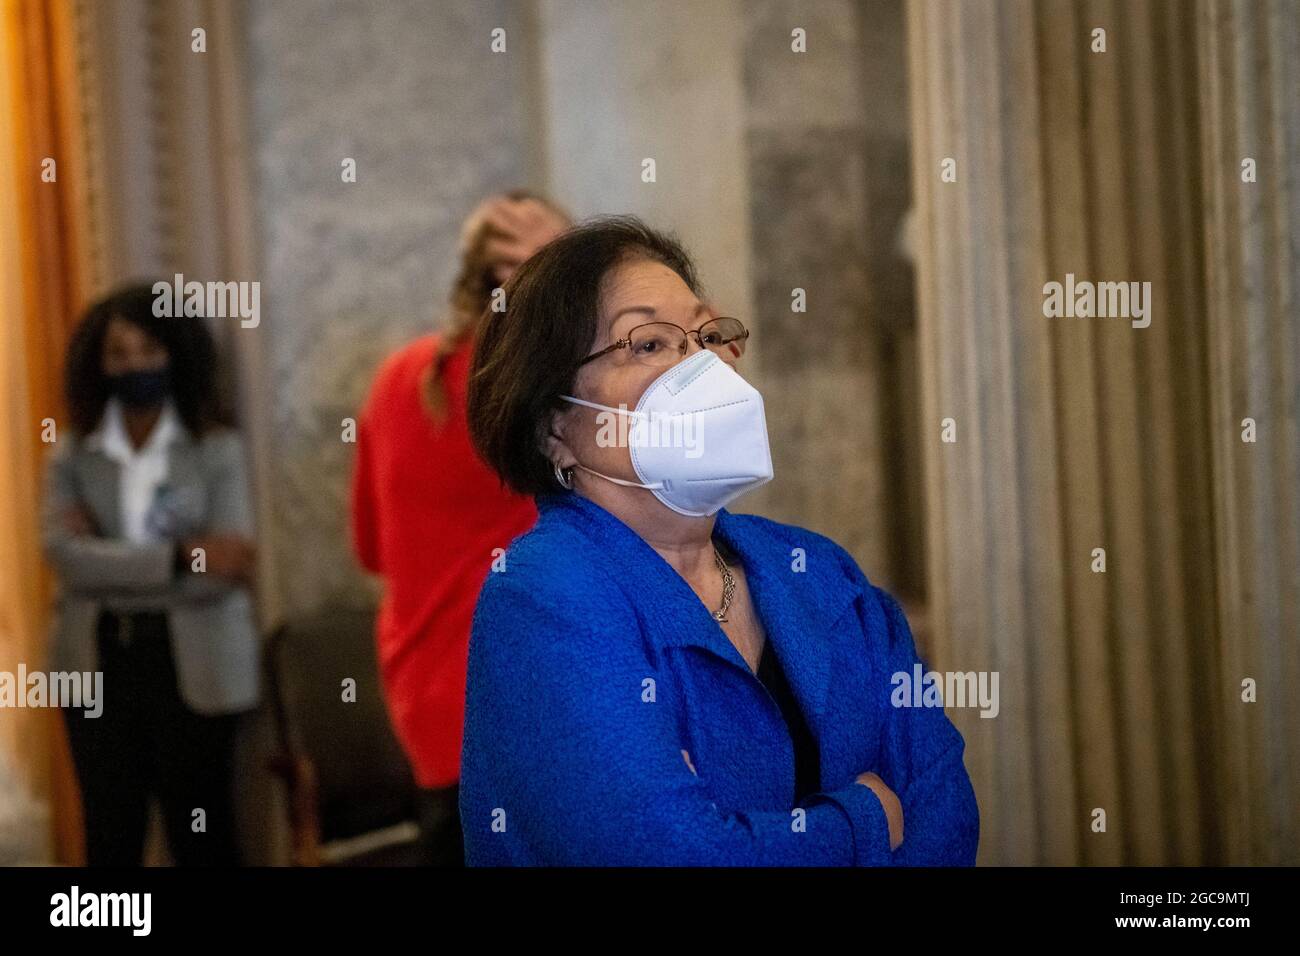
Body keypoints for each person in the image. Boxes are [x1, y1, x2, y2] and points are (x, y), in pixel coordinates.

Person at [459, 216, 980, 865]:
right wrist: (865, 819)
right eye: (649, 343)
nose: (700, 365)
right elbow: (672, 853)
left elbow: (942, 803)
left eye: (708, 335)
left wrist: (748, 833)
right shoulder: (543, 596)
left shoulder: (816, 570)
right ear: (555, 427)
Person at [349, 190, 571, 866]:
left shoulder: (397, 378)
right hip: (529, 695)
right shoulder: (543, 382)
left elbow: (370, 549)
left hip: (428, 704)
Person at [42, 283, 258, 866]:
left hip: (193, 663)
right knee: (110, 836)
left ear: (177, 354)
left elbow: (230, 565)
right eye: (119, 352)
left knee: (205, 836)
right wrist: (180, 556)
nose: (134, 364)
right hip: (98, 659)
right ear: (97, 363)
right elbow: (64, 556)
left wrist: (109, 559)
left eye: (148, 349)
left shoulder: (217, 450)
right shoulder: (72, 453)